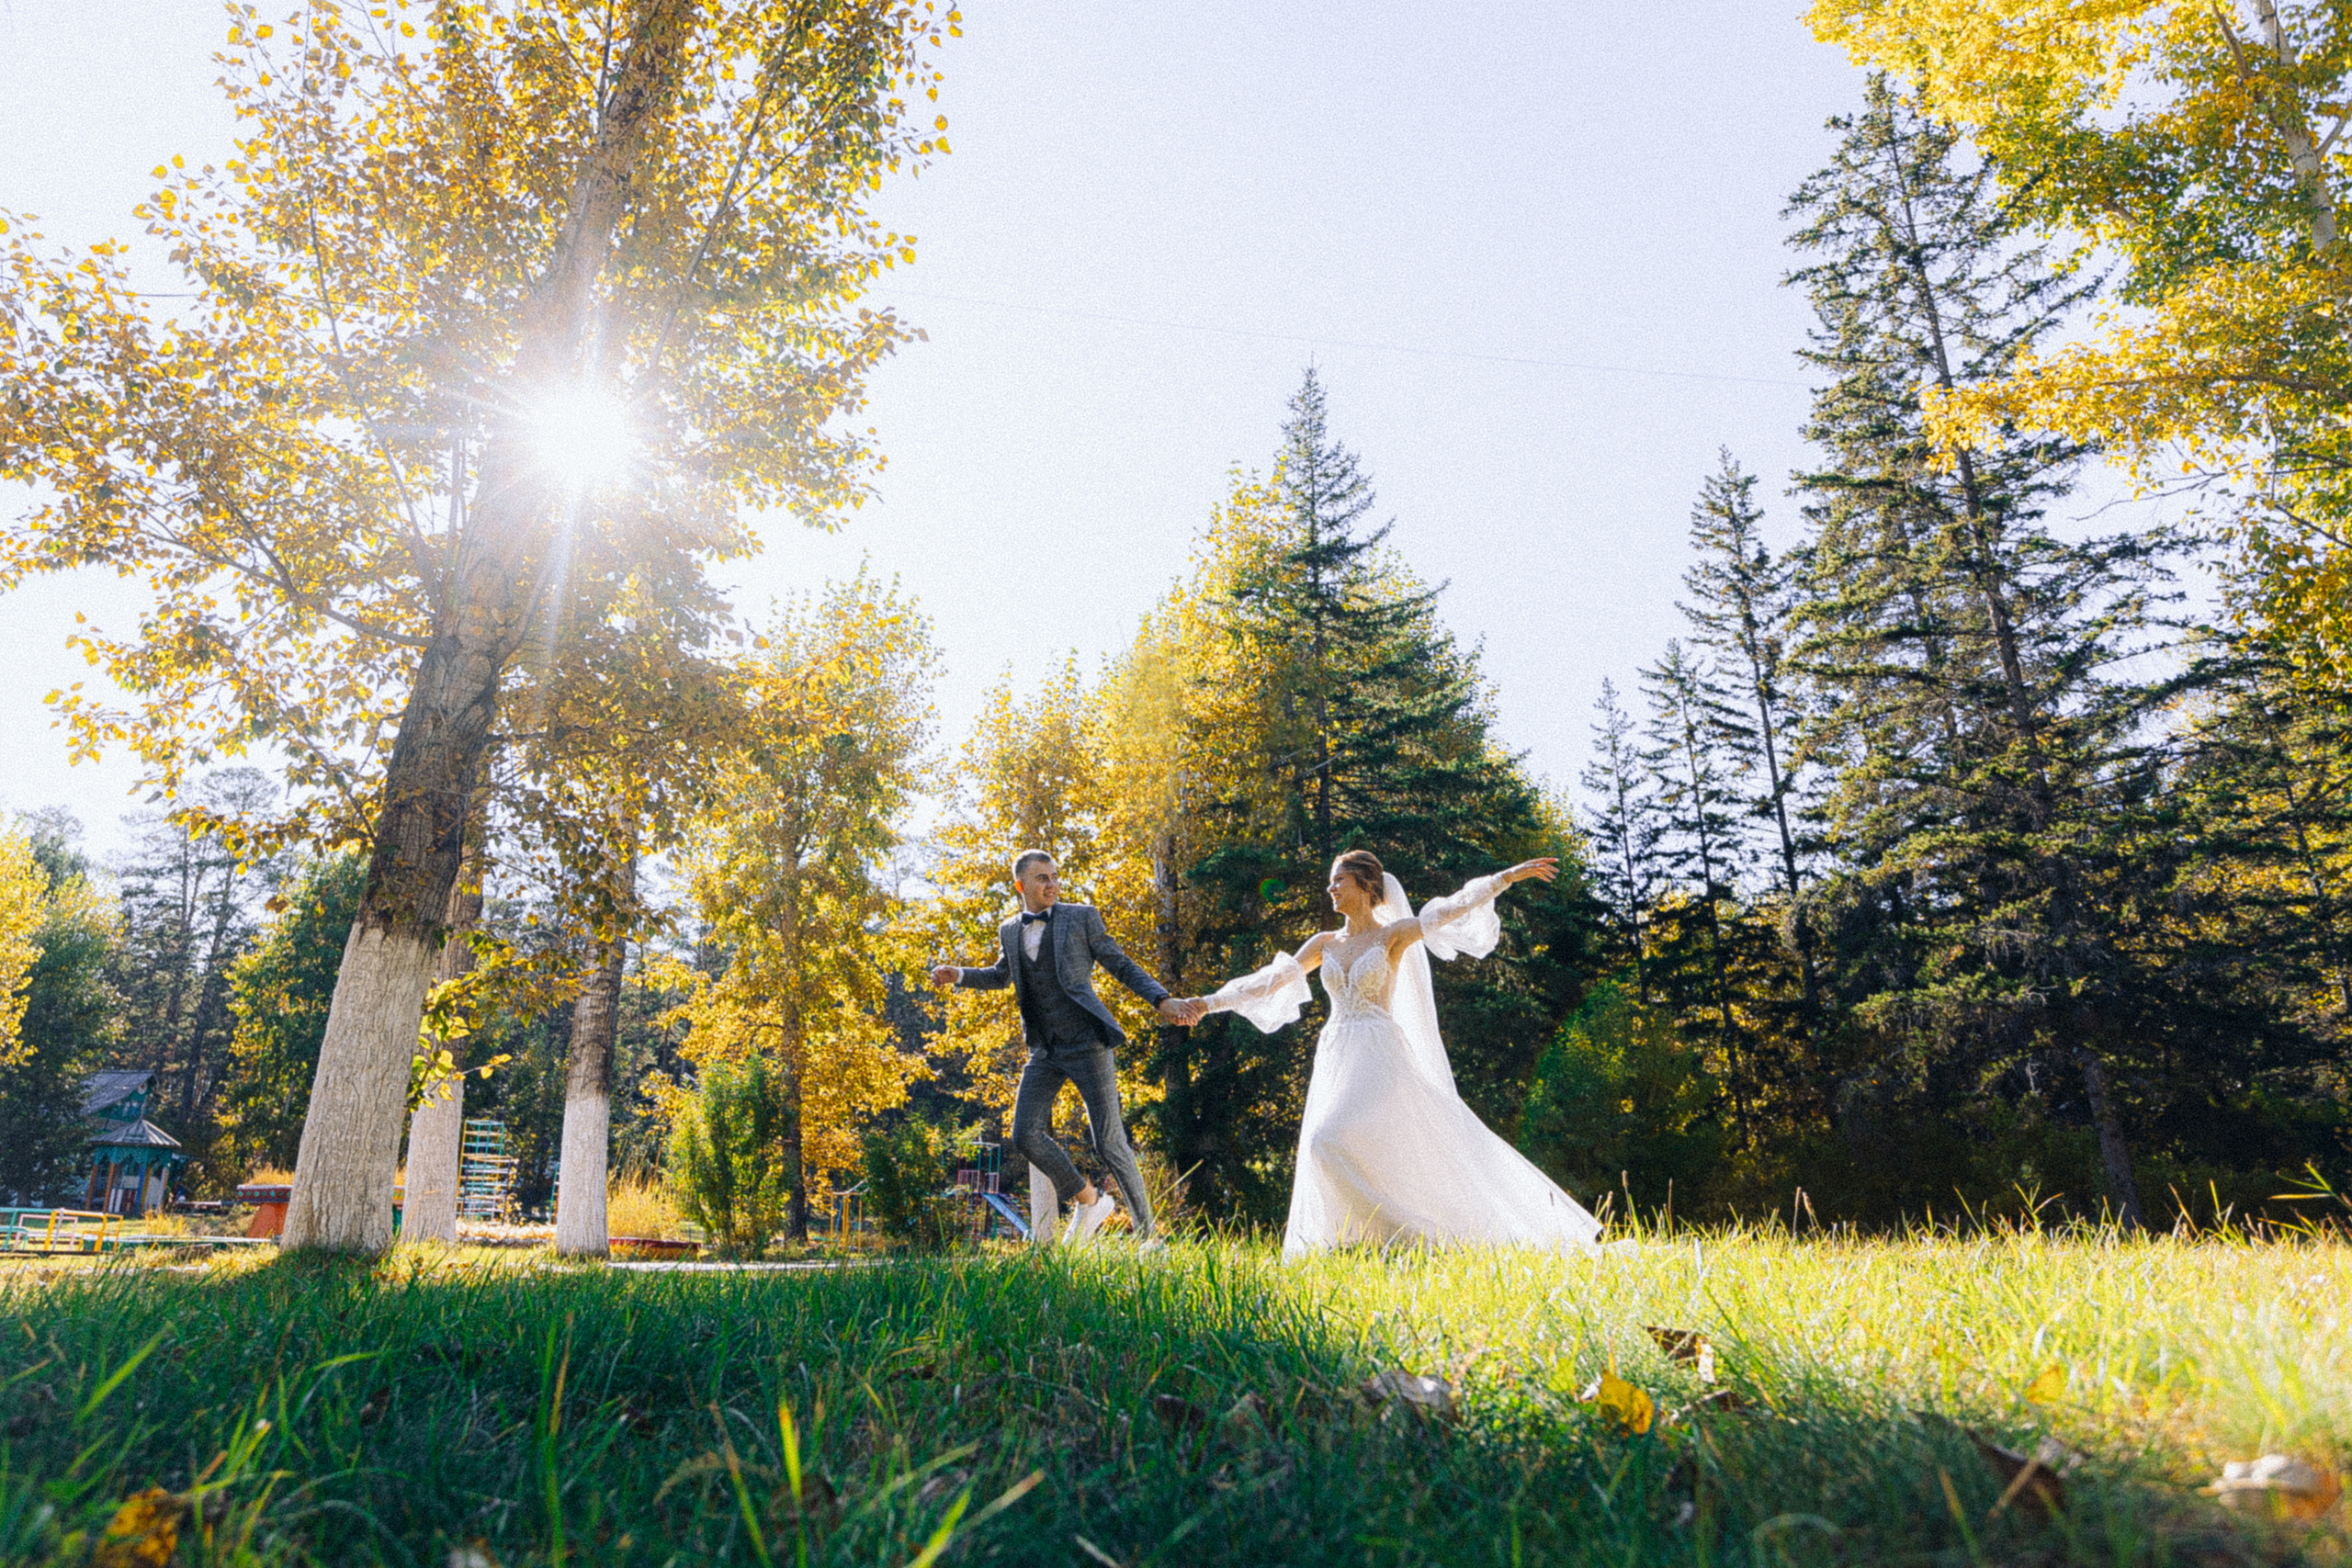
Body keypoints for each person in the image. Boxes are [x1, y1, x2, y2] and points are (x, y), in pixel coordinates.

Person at [1181, 849, 1602, 1259]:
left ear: (1365, 885)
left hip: (1379, 1051)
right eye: (1330, 881)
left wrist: (1504, 878)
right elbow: (1270, 982)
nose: (1330, 888)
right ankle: (1365, 1241)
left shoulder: (1392, 936)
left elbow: (1448, 912)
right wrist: (1206, 1002)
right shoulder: (1324, 943)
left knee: (1331, 1140)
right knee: (1332, 1145)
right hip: (1336, 1052)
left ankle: (1412, 1232)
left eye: (1338, 880)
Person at [932, 850, 1203, 1248]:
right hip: (1044, 1049)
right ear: (1021, 886)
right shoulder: (1009, 929)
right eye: (1042, 878)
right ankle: (1088, 1199)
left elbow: (1120, 964)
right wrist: (959, 976)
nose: (1053, 884)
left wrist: (1163, 1001)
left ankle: (1150, 1239)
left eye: (1055, 877)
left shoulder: (1081, 917)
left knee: (1109, 1142)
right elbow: (1002, 974)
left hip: (1087, 1043)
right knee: (1025, 1133)